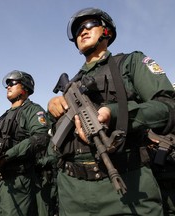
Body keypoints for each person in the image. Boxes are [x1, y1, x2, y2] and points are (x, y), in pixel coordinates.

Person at [47, 7, 175, 216]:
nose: (82, 31)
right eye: (78, 29)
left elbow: (167, 106)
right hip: (72, 193)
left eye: (89, 25)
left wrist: (115, 113)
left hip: (127, 186)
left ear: (106, 31)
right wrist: (54, 108)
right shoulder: (72, 84)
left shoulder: (130, 63)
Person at [0, 70, 50, 215]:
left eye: (12, 83)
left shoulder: (32, 110)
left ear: (24, 87)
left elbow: (41, 138)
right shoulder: (5, 115)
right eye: (7, 84)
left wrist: (7, 156)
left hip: (17, 181)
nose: (8, 87)